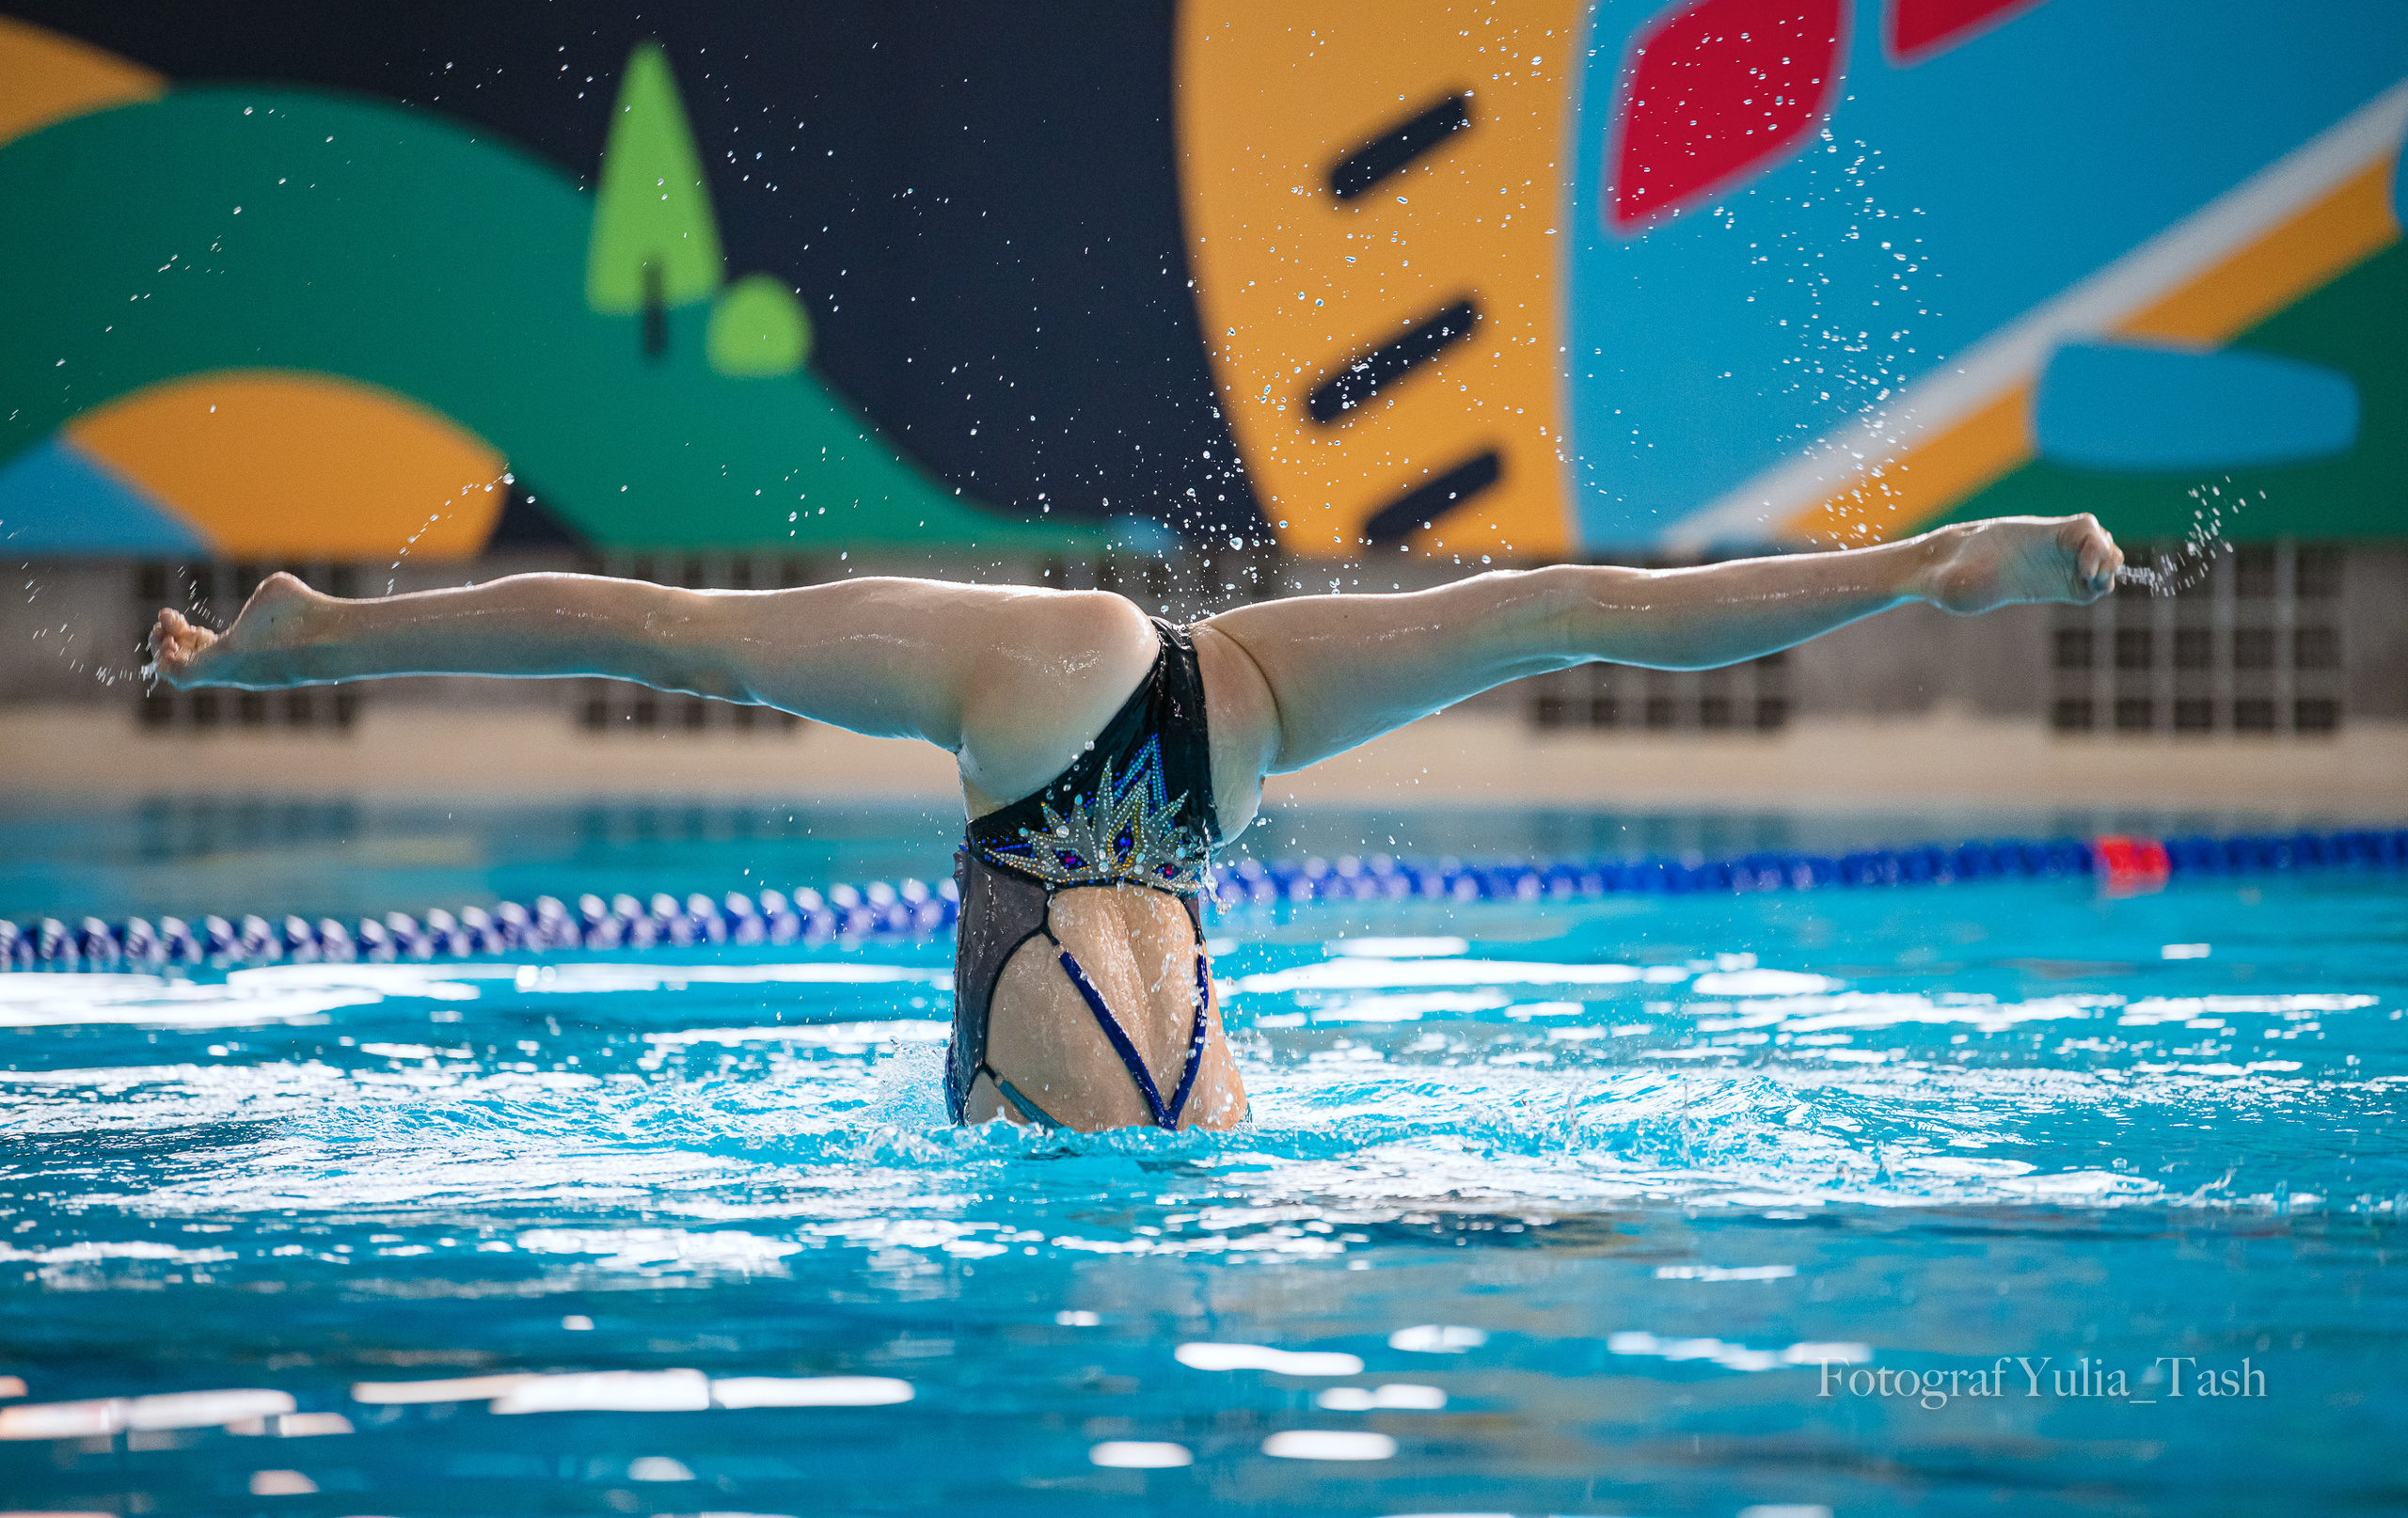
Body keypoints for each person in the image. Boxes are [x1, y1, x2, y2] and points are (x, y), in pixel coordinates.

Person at [147, 514, 2125, 1133]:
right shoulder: (1158, 1080)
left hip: (1151, 756)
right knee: (1569, 612)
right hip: (1186, 756)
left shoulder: (1113, 1074)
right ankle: (1935, 568)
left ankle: (312, 641)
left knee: (695, 637)